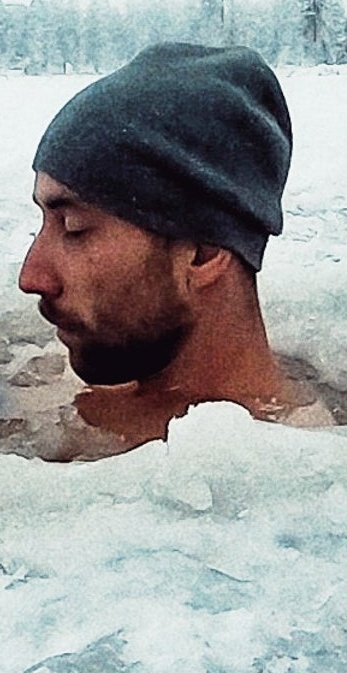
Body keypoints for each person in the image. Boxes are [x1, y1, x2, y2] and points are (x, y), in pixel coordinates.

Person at [18, 42, 330, 452]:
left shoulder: (264, 482)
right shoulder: (72, 399)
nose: (31, 276)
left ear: (202, 252)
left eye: (74, 227)